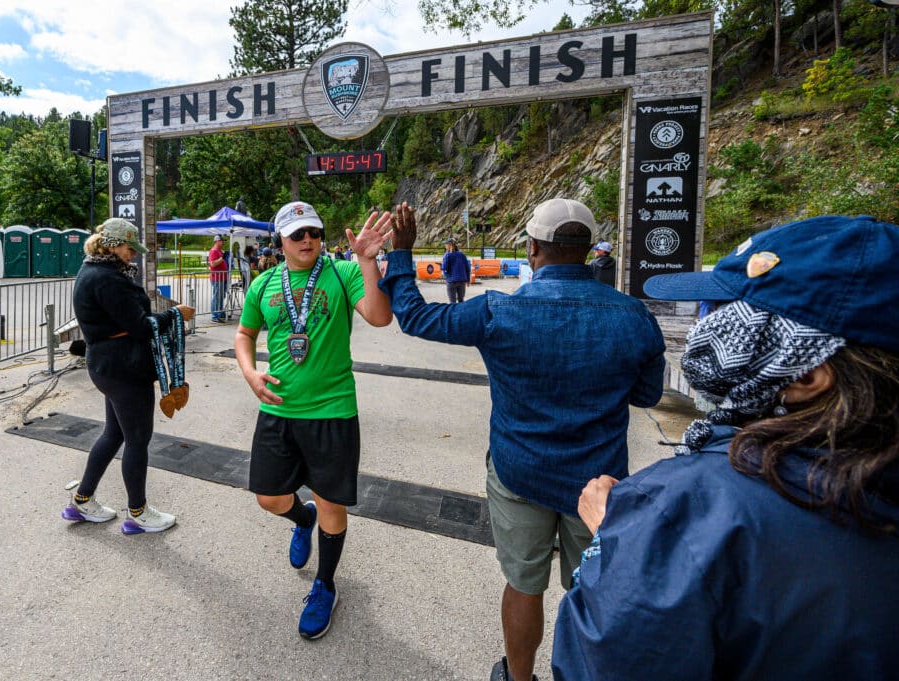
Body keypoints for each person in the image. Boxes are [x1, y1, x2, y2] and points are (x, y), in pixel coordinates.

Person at [552, 215, 899, 681]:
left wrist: (621, 543)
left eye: (724, 312)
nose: (704, 325)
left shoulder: (685, 511)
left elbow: (597, 661)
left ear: (805, 376)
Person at [379, 199, 666, 681]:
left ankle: (518, 677)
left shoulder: (498, 311)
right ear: (589, 250)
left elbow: (414, 317)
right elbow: (647, 394)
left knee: (523, 585)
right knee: (592, 589)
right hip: (597, 482)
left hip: (520, 472)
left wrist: (403, 253)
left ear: (532, 249)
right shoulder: (633, 316)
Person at [234, 200, 394, 640]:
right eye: (298, 234)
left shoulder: (341, 274)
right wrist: (250, 373)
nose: (308, 240)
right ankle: (301, 522)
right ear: (280, 241)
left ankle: (325, 584)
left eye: (314, 233)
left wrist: (366, 260)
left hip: (332, 412)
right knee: (269, 498)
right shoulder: (264, 284)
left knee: (331, 504)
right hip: (277, 410)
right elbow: (244, 335)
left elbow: (380, 317)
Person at [63, 218, 195, 534]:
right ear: (110, 244)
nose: (131, 254)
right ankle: (138, 511)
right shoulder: (108, 279)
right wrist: (176, 314)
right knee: (137, 439)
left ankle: (82, 500)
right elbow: (140, 325)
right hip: (124, 368)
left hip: (107, 365)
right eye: (127, 247)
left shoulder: (92, 270)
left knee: (114, 434)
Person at [441, 237, 471, 303]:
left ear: (450, 245)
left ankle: (454, 313)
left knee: (452, 302)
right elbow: (467, 269)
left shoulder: (447, 254)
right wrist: (468, 280)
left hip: (451, 281)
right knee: (461, 300)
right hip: (462, 281)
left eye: (446, 244)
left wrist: (441, 265)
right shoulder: (462, 255)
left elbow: (444, 267)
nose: (445, 246)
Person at [208, 235, 229, 322]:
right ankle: (214, 315)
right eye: (221, 241)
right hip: (217, 277)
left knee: (221, 296)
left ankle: (219, 312)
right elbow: (212, 264)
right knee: (217, 296)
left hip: (222, 277)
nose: (223, 242)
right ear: (217, 241)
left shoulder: (219, 251)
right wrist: (222, 258)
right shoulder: (214, 251)